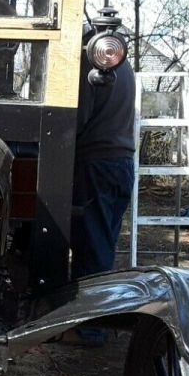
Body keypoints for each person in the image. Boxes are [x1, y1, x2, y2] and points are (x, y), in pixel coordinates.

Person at [71, 45, 135, 278]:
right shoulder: (121, 61)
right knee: (102, 246)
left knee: (92, 255)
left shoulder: (92, 59)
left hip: (96, 165)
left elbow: (75, 119)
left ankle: (88, 312)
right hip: (122, 164)